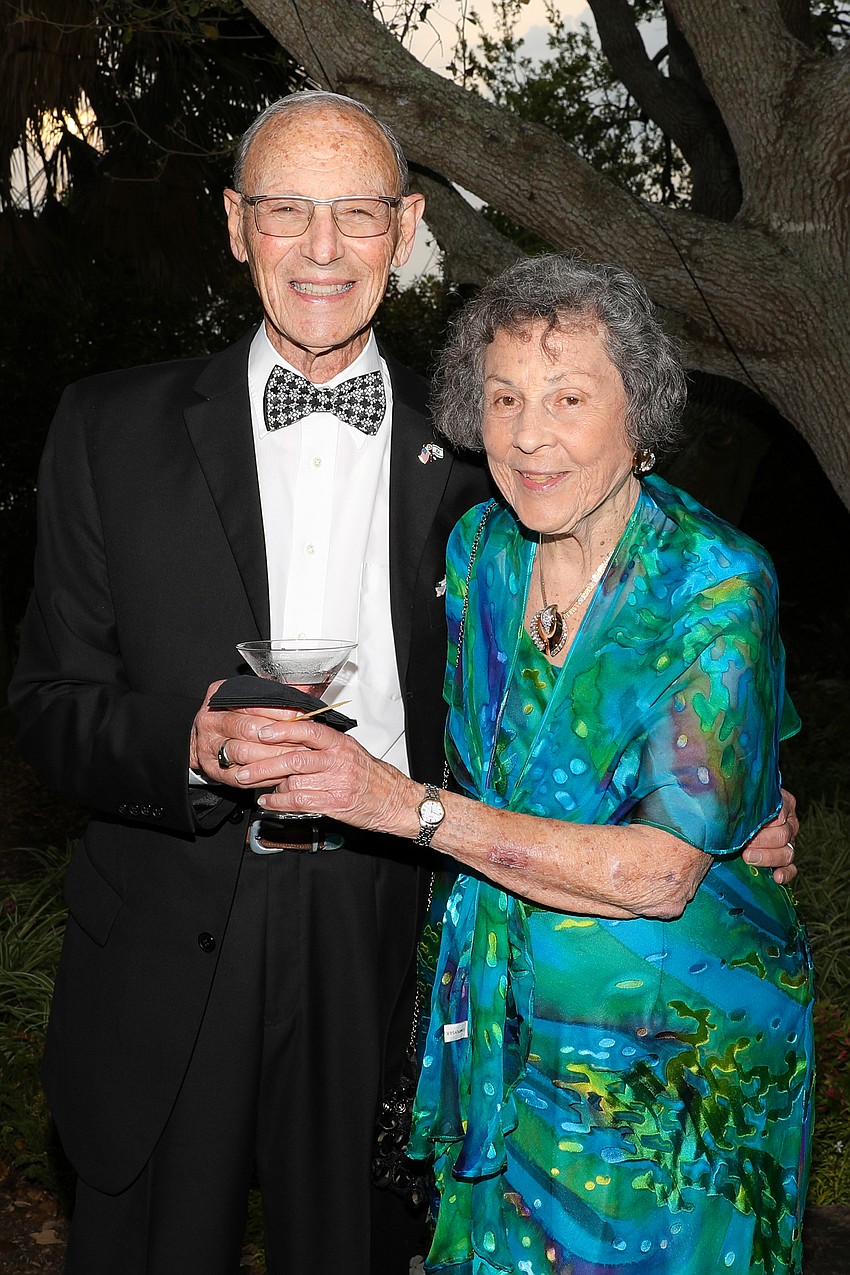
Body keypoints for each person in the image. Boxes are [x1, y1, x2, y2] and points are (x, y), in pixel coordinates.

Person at [229, 256, 813, 1274]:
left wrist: (403, 810)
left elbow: (659, 872)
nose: (527, 434)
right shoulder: (481, 553)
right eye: (503, 398)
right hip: (501, 1025)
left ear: (642, 417)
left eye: (569, 398)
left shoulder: (715, 583)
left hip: (670, 1054)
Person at [9, 90, 494, 1274]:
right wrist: (189, 745)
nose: (322, 250)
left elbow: (576, 670)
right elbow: (47, 706)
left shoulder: (490, 444)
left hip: (390, 926)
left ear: (409, 225)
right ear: (236, 225)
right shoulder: (105, 427)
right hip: (172, 920)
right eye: (286, 212)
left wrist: (713, 805)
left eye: (357, 214)